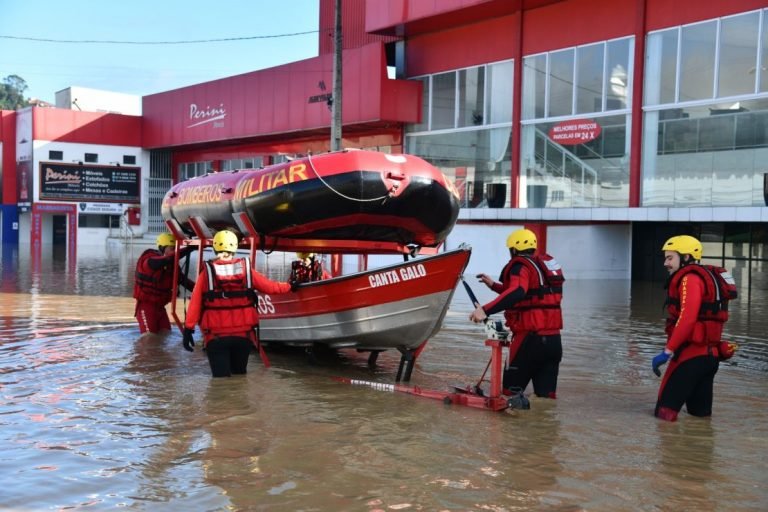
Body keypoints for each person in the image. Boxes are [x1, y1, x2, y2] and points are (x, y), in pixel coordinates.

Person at [469, 228, 564, 399]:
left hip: (529, 342)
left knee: (508, 396)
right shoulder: (542, 268)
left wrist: (484, 310)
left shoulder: (520, 266)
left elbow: (518, 292)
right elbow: (530, 295)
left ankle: (508, 426)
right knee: (546, 398)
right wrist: (494, 285)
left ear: (514, 249)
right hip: (553, 342)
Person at [651, 235, 738, 422]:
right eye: (665, 258)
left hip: (690, 358)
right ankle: (700, 451)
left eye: (670, 258)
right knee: (700, 419)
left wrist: (667, 352)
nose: (665, 263)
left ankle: (665, 452)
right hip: (710, 358)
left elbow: (687, 319)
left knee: (664, 417)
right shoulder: (706, 277)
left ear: (687, 257)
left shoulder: (689, 279)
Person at [182, 230, 291, 377]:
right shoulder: (247, 271)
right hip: (243, 337)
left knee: (221, 382)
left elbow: (195, 303)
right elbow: (271, 287)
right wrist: (290, 286)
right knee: (240, 378)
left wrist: (188, 329)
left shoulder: (206, 274)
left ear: (215, 248)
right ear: (234, 248)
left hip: (216, 338)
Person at [133, 232, 194, 339]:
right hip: (146, 307)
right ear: (162, 248)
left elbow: (186, 283)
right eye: (172, 248)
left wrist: (204, 291)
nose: (174, 251)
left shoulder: (172, 267)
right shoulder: (149, 261)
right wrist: (189, 248)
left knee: (166, 335)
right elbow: (166, 260)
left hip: (160, 308)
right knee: (149, 339)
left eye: (175, 248)